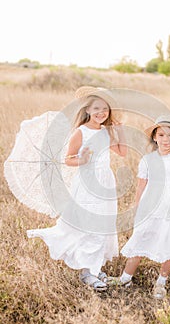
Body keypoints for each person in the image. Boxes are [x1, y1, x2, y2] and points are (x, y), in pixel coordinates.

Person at [27, 86, 127, 291]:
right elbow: (67, 159)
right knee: (89, 225)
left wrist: (120, 132)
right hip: (87, 183)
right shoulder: (81, 132)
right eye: (97, 108)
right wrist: (81, 159)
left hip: (105, 182)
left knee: (102, 225)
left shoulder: (107, 131)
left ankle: (94, 267)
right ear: (88, 109)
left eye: (105, 109)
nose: (101, 113)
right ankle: (86, 273)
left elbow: (123, 152)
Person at [110, 116, 170, 299]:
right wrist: (137, 209)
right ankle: (125, 278)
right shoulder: (147, 160)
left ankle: (161, 283)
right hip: (150, 210)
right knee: (140, 239)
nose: (165, 139)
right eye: (161, 134)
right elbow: (141, 186)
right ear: (155, 137)